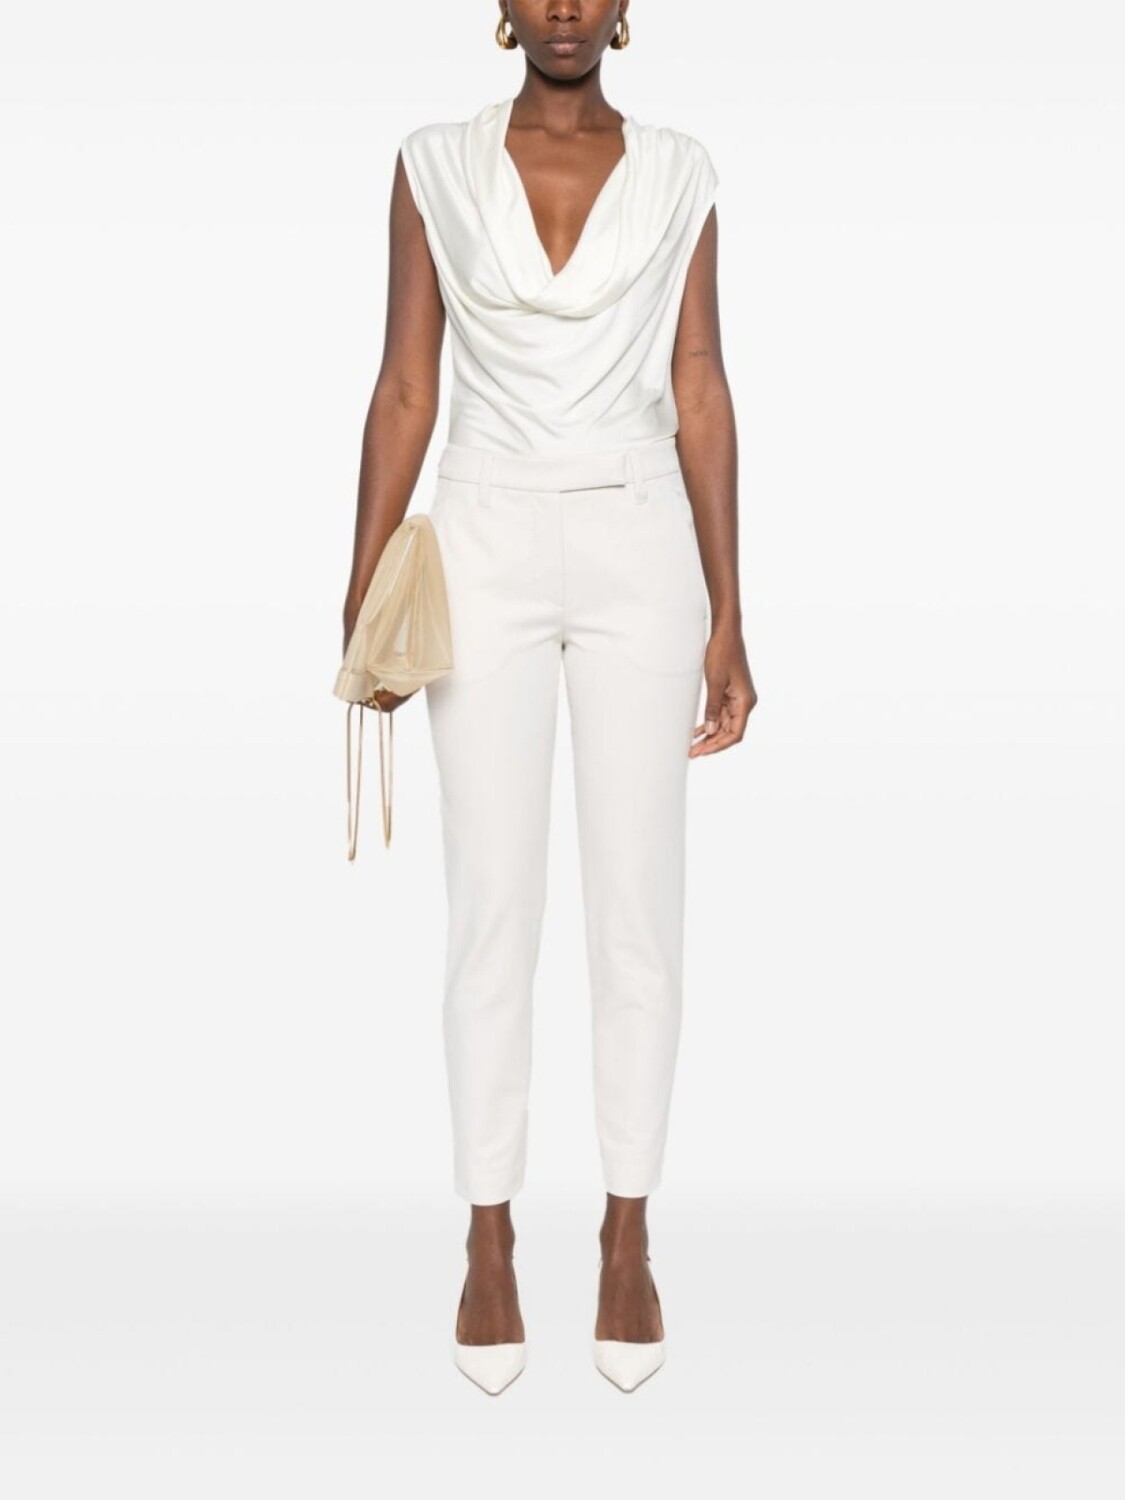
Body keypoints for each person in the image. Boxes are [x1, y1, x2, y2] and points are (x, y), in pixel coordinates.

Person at [341, 1, 756, 1395]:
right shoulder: (431, 163)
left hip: (641, 539)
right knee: (491, 907)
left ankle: (627, 1231)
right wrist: (363, 588)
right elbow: (407, 384)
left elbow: (699, 383)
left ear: (625, 10)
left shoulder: (683, 169)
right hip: (484, 536)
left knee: (638, 907)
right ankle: (489, 1233)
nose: (566, 6)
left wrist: (730, 610)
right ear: (503, 9)